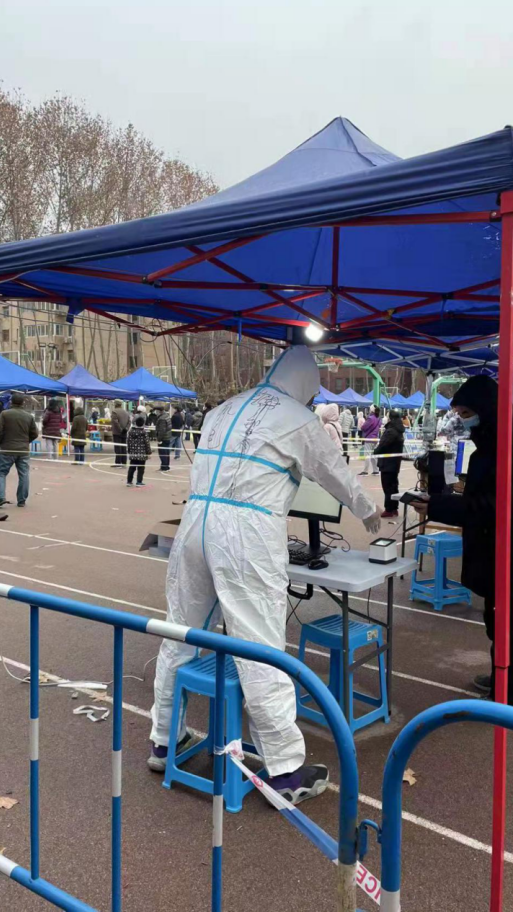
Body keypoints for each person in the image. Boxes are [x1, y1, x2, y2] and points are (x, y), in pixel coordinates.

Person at [148, 345, 381, 804]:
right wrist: (368, 510)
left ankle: (163, 739)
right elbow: (333, 471)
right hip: (246, 533)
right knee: (260, 647)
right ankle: (286, 769)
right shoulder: (298, 418)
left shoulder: (222, 409)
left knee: (179, 633)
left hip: (194, 524)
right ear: (307, 385)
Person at [408, 376, 513, 707]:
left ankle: (510, 695)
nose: (463, 420)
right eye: (459, 413)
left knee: (508, 626)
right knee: (499, 622)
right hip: (500, 550)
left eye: (467, 413)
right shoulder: (496, 439)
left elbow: (495, 507)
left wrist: (438, 506)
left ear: (487, 409)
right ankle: (510, 678)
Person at [0, 392, 38, 508]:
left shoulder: (5, 414)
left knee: (1, 473)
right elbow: (35, 433)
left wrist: (1, 442)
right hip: (23, 450)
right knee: (24, 475)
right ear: (23, 403)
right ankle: (22, 500)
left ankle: (0, 497)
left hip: (7, 449)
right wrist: (26, 441)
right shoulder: (29, 416)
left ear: (11, 402)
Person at [375, 409, 405, 517]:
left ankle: (388, 509)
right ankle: (394, 508)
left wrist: (376, 451)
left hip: (387, 463)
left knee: (387, 486)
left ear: (390, 418)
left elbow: (383, 445)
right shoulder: (399, 430)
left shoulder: (390, 431)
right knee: (394, 485)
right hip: (395, 463)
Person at [126, 415, 152, 487]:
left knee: (132, 468)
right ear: (143, 423)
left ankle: (129, 481)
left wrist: (129, 450)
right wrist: (149, 452)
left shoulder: (130, 432)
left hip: (133, 453)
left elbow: (128, 442)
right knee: (141, 468)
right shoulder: (144, 432)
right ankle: (139, 482)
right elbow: (147, 443)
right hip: (142, 453)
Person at [359, 406, 381, 475]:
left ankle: (365, 470)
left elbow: (363, 427)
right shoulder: (378, 419)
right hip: (375, 438)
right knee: (373, 455)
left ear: (371, 410)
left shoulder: (370, 418)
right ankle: (376, 470)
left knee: (367, 455)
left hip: (369, 438)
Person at [110, 401, 130, 467]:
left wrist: (120, 430)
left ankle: (118, 462)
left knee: (118, 447)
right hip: (124, 432)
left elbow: (115, 422)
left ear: (115, 404)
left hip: (117, 432)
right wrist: (126, 429)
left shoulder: (114, 412)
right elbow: (129, 422)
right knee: (124, 447)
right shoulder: (126, 412)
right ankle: (124, 462)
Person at [154, 404, 172, 471]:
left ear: (159, 411)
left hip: (163, 438)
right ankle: (166, 466)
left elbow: (162, 430)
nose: (156, 412)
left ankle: (164, 467)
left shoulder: (162, 418)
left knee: (162, 453)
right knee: (166, 452)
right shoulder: (166, 416)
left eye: (156, 411)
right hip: (167, 437)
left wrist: (159, 439)